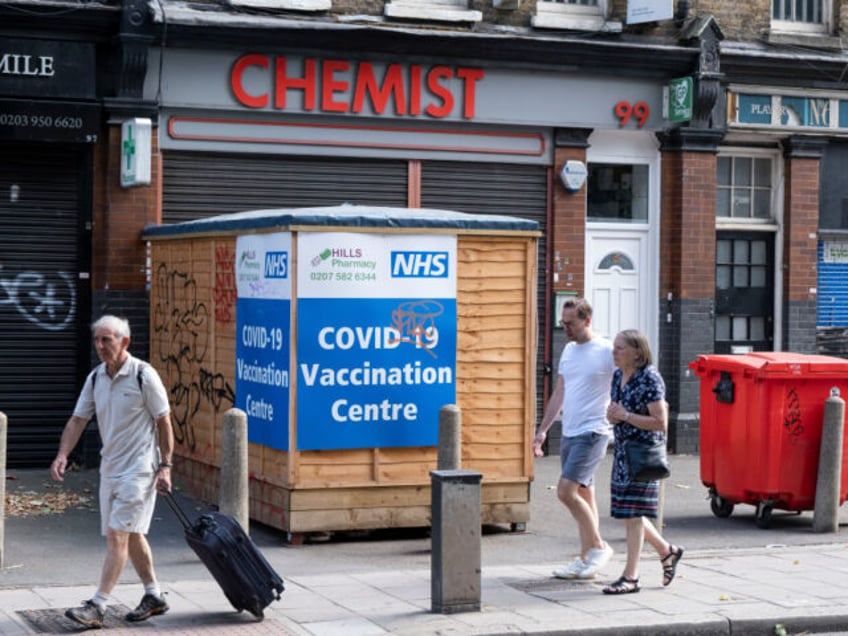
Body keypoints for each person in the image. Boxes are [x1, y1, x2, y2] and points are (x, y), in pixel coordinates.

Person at [51, 315, 174, 628]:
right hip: (111, 468)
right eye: (97, 340)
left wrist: (166, 466)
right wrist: (63, 454)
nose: (100, 346)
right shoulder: (96, 378)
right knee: (130, 534)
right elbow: (78, 420)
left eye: (107, 339)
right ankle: (154, 595)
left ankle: (98, 605)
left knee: (118, 535)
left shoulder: (144, 375)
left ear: (125, 342)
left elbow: (164, 421)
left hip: (140, 469)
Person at [533, 297, 615, 580]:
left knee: (565, 492)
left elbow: (625, 382)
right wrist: (543, 430)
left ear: (587, 320)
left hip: (593, 432)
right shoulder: (568, 350)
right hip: (570, 430)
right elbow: (560, 392)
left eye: (570, 323)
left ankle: (599, 546)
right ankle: (585, 559)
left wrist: (625, 416)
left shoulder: (606, 350)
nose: (565, 328)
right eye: (562, 323)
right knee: (583, 494)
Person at [602, 328, 683, 594]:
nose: (614, 352)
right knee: (626, 514)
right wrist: (614, 415)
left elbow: (660, 422)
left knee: (634, 514)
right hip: (623, 453)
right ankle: (666, 550)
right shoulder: (618, 376)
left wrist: (625, 416)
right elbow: (618, 411)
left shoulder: (650, 379)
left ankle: (631, 577)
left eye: (619, 348)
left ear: (637, 352)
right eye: (614, 347)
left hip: (643, 455)